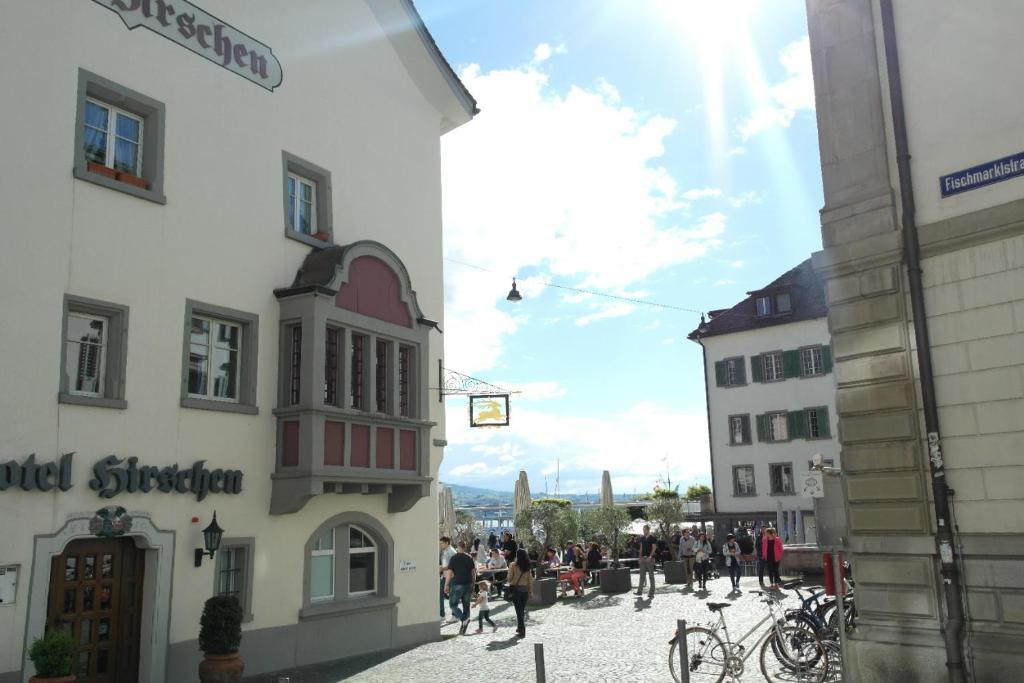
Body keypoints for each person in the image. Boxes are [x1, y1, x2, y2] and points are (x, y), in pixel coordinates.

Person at [444, 541, 477, 634]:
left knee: (452, 605)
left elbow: (449, 573)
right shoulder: (469, 558)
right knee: (466, 605)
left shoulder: (454, 558)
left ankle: (464, 619)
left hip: (457, 584)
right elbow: (473, 572)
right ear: (465, 547)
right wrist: (473, 584)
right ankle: (464, 626)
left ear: (458, 547)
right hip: (468, 584)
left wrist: (446, 584)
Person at [507, 548, 533, 638]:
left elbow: (509, 578)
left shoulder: (513, 565)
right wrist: (530, 592)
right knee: (521, 610)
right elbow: (530, 580)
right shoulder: (528, 566)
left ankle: (522, 630)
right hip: (525, 590)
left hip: (516, 590)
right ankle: (519, 627)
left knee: (519, 611)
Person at [636, 524, 657, 599]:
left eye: (645, 530)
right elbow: (641, 548)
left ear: (648, 530)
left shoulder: (652, 538)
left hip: (650, 559)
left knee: (651, 576)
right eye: (643, 530)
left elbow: (654, 548)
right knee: (642, 576)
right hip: (643, 559)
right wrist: (640, 557)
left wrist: (650, 556)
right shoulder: (642, 538)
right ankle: (639, 591)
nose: (644, 531)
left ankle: (651, 592)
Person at [439, 536, 456, 623]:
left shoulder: (452, 552)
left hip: (452, 577)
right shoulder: (444, 551)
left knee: (452, 596)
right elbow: (445, 563)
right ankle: (442, 615)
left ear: (447, 543)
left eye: (442, 543)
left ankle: (454, 615)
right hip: (444, 576)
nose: (440, 545)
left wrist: (442, 569)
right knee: (440, 594)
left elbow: (453, 566)